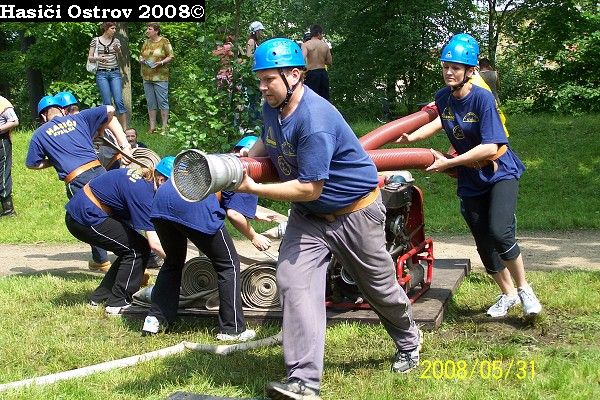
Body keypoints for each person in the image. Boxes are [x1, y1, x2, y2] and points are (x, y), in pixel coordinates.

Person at [235, 38, 422, 400]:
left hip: (355, 213)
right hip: (310, 217)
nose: (262, 86)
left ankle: (409, 339)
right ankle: (303, 381)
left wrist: (254, 188)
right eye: (259, 79)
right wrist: (247, 156)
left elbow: (309, 188)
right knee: (294, 282)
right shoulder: (273, 105)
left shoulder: (315, 119)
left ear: (294, 76)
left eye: (268, 79)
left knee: (378, 288)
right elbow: (267, 138)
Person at [396, 33, 542, 320]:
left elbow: (491, 146)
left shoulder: (482, 98)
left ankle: (525, 290)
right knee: (483, 241)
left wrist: (450, 162)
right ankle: (507, 294)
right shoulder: (443, 97)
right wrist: (411, 137)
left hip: (499, 171)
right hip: (470, 176)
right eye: (445, 66)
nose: (449, 72)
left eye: (456, 67)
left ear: (470, 71)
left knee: (500, 232)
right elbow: (441, 122)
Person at [141, 157, 256, 342]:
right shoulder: (247, 173)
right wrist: (254, 236)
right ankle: (232, 329)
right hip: (192, 202)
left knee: (173, 262)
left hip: (164, 198)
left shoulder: (223, 160)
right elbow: (235, 213)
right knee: (228, 265)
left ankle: (155, 320)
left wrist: (258, 214)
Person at [26, 96, 132, 272]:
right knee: (117, 209)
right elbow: (109, 110)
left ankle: (102, 261)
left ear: (43, 116)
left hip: (76, 180)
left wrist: (53, 160)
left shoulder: (40, 133)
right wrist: (104, 132)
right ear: (62, 110)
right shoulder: (79, 118)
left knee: (90, 218)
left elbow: (32, 164)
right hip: (99, 171)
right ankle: (139, 255)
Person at [65, 164, 165, 315]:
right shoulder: (144, 193)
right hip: (86, 217)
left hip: (82, 212)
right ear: (161, 179)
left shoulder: (146, 181)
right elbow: (154, 244)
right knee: (137, 249)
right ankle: (118, 303)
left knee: (131, 248)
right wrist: (178, 264)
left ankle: (99, 298)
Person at [88, 22, 128, 130]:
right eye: (112, 28)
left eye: (115, 28)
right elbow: (90, 57)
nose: (114, 30)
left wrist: (118, 51)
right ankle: (109, 129)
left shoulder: (116, 41)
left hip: (115, 73)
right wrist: (99, 58)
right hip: (101, 74)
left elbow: (121, 58)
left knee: (119, 101)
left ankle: (124, 130)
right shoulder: (96, 40)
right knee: (107, 103)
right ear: (106, 29)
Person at [140, 22, 174, 133]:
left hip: (160, 77)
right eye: (147, 29)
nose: (147, 31)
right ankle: (152, 127)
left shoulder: (164, 41)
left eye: (149, 29)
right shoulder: (146, 42)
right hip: (146, 76)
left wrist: (161, 62)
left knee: (162, 101)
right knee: (150, 102)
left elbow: (171, 56)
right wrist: (141, 59)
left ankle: (164, 127)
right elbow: (141, 54)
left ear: (156, 31)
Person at [301, 25, 332, 101]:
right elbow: (329, 62)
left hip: (312, 74)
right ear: (318, 33)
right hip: (323, 74)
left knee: (311, 98)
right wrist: (321, 60)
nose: (322, 36)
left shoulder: (306, 45)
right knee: (324, 99)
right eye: (322, 34)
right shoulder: (325, 45)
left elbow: (301, 59)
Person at [0, 95, 19, 217]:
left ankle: (8, 209)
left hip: (1, 141)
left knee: (2, 174)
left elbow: (14, 121)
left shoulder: (2, 102)